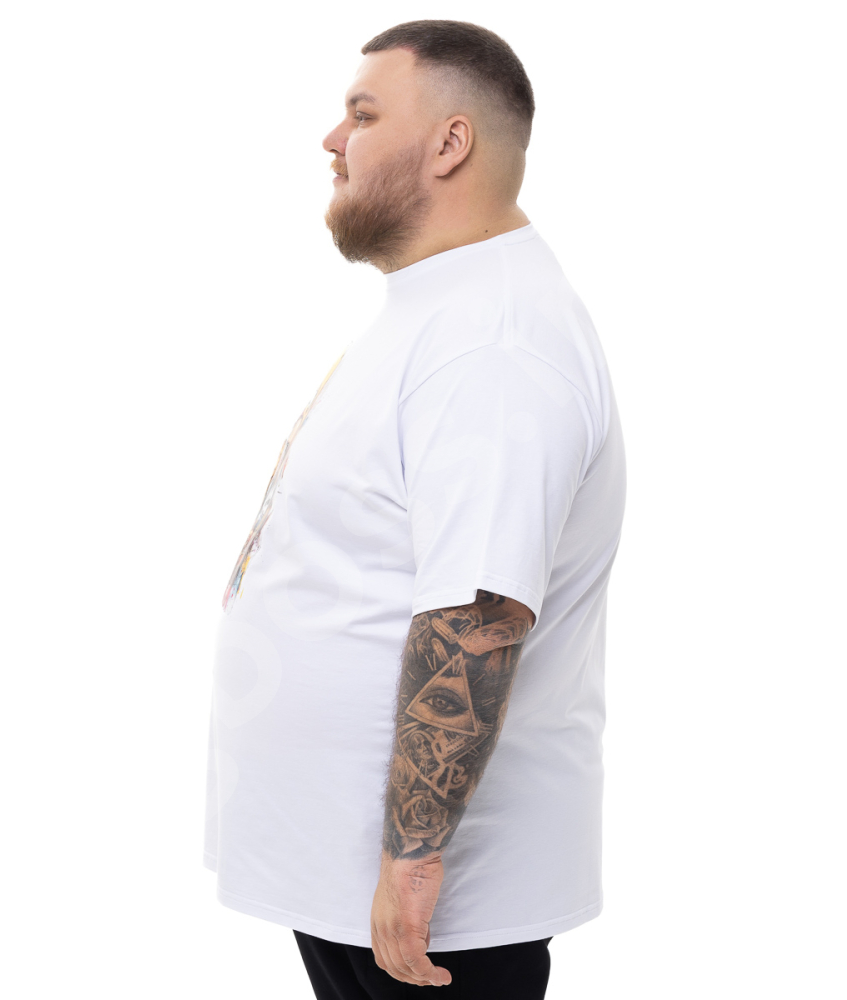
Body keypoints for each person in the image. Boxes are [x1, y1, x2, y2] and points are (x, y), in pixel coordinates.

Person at [204, 19, 626, 999]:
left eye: (361, 115)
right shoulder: (445, 309)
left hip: (435, 918)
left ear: (449, 143)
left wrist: (414, 860)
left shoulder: (496, 343)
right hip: (360, 884)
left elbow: (478, 612)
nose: (332, 141)